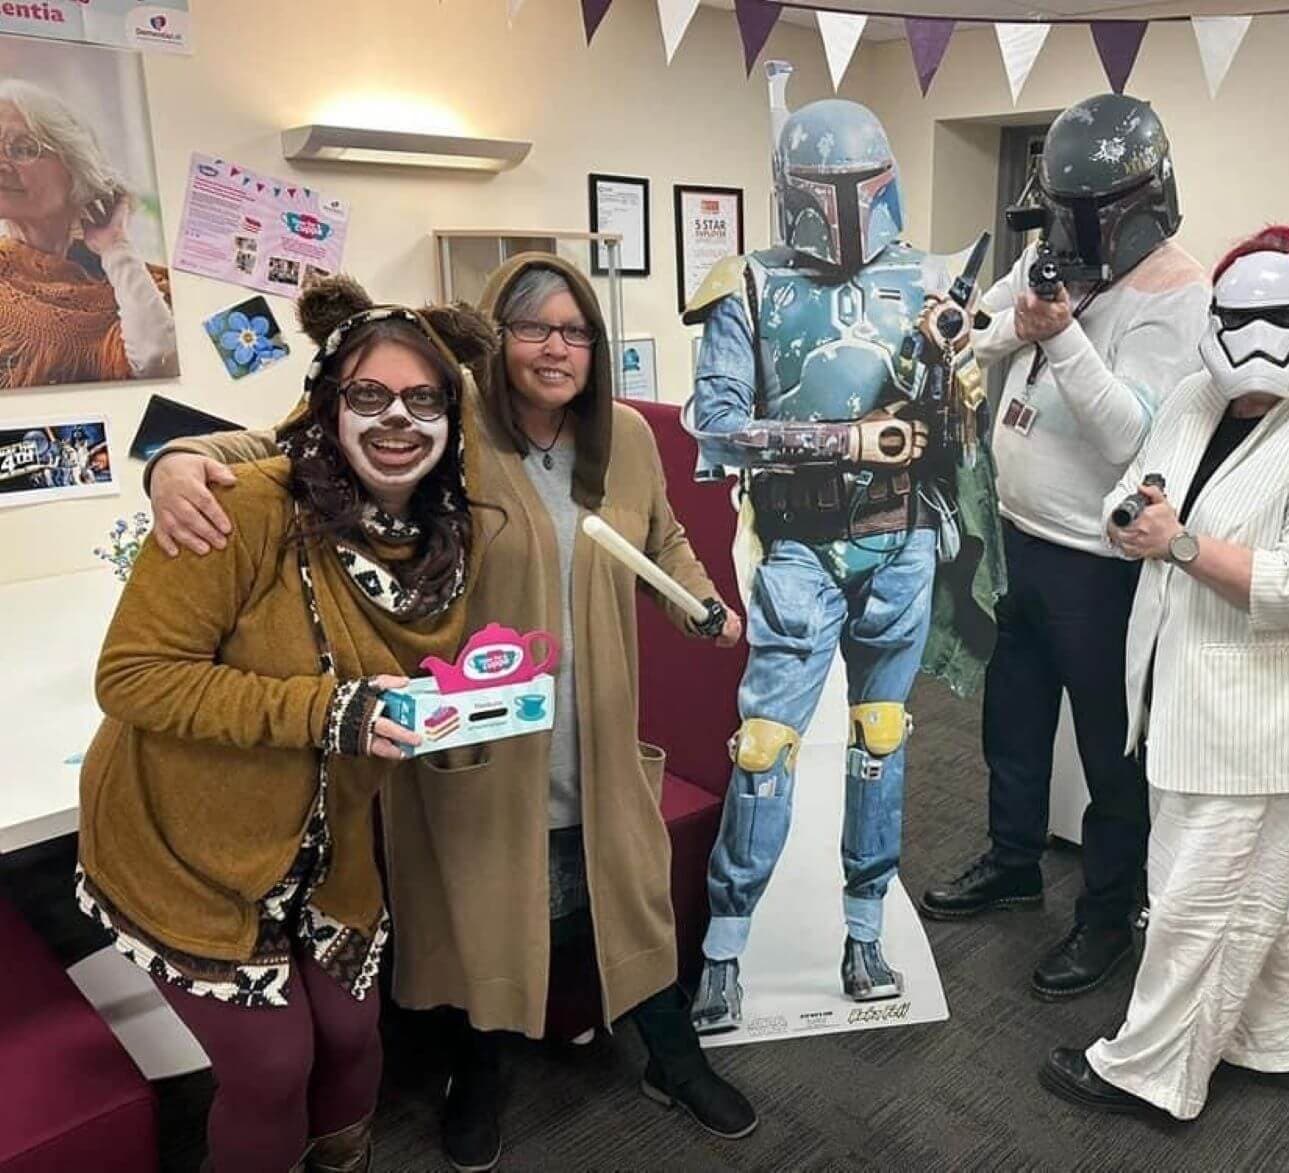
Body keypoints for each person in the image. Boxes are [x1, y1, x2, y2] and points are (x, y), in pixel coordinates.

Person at [145, 252, 757, 1171]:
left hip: (594, 724)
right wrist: (178, 462)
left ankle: (670, 1054)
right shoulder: (448, 421)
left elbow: (660, 531)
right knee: (482, 910)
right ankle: (475, 1071)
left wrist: (700, 600)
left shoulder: (624, 435)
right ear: (494, 336)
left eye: (576, 330)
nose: (557, 347)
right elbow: (286, 443)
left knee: (619, 893)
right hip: (483, 741)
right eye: (532, 327)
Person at [78, 277, 496, 1173]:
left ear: (455, 420)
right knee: (274, 1063)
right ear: (328, 403)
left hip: (326, 844)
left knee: (352, 1033)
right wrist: (328, 711)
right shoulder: (253, 504)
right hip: (187, 836)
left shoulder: (447, 538)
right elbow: (132, 676)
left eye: (425, 399)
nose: (397, 419)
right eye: (369, 394)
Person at [1040, 227, 1289, 1120]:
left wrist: (1182, 544)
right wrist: (1128, 516)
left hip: (1265, 713)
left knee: (1192, 899)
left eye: (1272, 324)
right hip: (1175, 690)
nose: (1248, 348)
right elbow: (1138, 483)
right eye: (1234, 323)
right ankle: (1281, 1043)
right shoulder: (1197, 396)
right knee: (1244, 885)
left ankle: (1150, 1072)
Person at [683, 94, 1004, 1033]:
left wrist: (953, 384)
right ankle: (725, 948)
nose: (850, 208)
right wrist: (853, 440)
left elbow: (958, 438)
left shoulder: (937, 281)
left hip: (900, 539)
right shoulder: (746, 284)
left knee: (880, 741)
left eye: (861, 187)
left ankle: (865, 931)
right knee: (764, 748)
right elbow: (718, 428)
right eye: (831, 191)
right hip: (802, 543)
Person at [920, 93, 1210, 1002]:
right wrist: (997, 324)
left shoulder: (1181, 293)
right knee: (1012, 719)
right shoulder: (1060, 258)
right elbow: (993, 326)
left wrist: (1065, 334)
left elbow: (1132, 434)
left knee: (1109, 751)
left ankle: (1106, 914)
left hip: (1099, 564)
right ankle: (1012, 860)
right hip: (1015, 539)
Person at [0, 80, 176, 388]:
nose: (1, 164)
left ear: (75, 165)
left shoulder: (136, 280)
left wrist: (115, 247)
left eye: (23, 148)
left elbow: (157, 360)